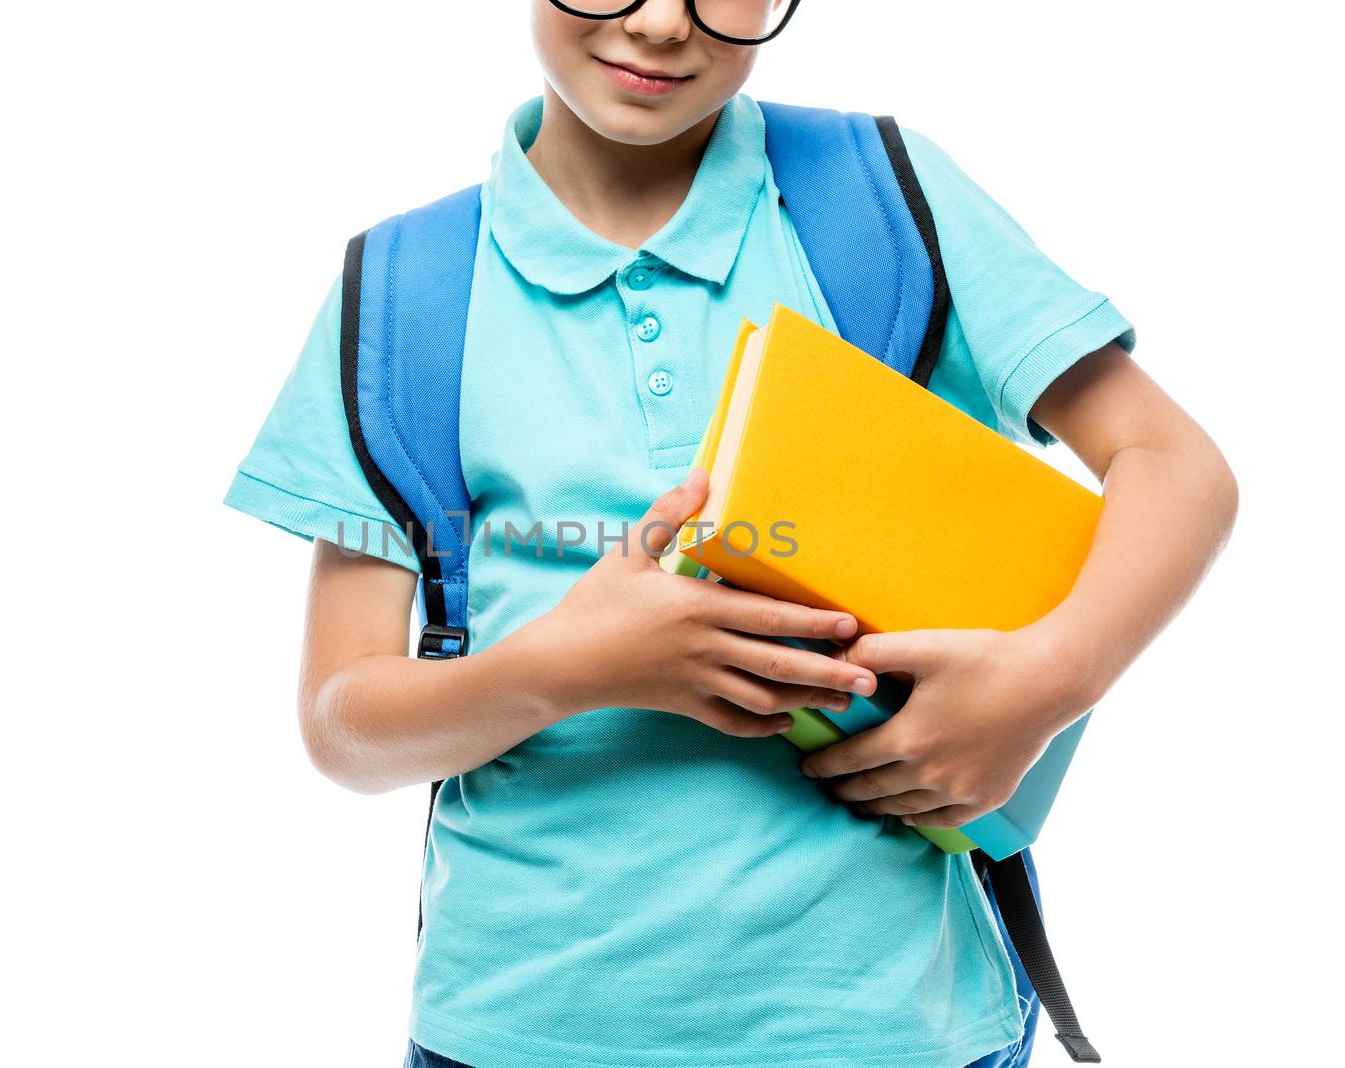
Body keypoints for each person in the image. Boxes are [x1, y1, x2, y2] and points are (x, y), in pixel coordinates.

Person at [224, 2, 1238, 1065]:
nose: (664, 23)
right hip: (517, 1031)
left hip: (894, 1028)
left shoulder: (882, 199)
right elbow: (345, 728)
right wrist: (566, 668)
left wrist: (1051, 677)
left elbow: (1174, 465)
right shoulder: (402, 291)